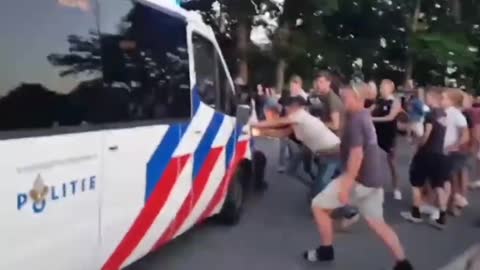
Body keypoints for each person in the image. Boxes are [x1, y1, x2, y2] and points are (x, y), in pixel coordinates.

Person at [304, 82, 413, 270]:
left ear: (358, 99)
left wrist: (346, 186)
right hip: (373, 180)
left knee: (318, 206)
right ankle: (403, 264)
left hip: (358, 180)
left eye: (346, 97)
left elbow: (357, 156)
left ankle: (326, 250)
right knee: (378, 223)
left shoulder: (356, 121)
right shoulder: (363, 116)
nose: (343, 100)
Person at [400, 88, 451, 229]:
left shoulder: (430, 114)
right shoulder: (444, 114)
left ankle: (415, 213)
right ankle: (442, 216)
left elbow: (427, 133)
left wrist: (419, 145)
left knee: (416, 182)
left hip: (427, 153)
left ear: (432, 98)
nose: (426, 100)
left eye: (428, 97)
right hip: (439, 154)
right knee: (438, 184)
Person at [440, 88, 470, 216]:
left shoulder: (458, 115)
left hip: (453, 152)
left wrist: (453, 146)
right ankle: (452, 203)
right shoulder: (444, 113)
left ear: (452, 101)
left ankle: (456, 202)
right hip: (444, 150)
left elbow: (465, 135)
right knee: (448, 178)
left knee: (451, 178)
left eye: (444, 98)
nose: (441, 100)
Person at [371, 79, 403, 200]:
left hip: (389, 135)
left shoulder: (395, 101)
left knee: (392, 163)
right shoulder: (379, 101)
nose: (380, 89)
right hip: (376, 133)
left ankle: (397, 188)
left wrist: (372, 119)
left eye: (383, 87)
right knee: (374, 161)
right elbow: (369, 111)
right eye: (380, 87)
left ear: (390, 88)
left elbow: (390, 117)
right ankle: (374, 188)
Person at [276, 75, 309, 173]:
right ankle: (281, 165)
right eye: (291, 86)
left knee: (294, 145)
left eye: (295, 86)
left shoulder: (303, 96)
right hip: (285, 122)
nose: (293, 88)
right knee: (283, 145)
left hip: (296, 124)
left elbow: (306, 110)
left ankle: (292, 161)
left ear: (299, 85)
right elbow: (280, 105)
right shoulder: (287, 94)